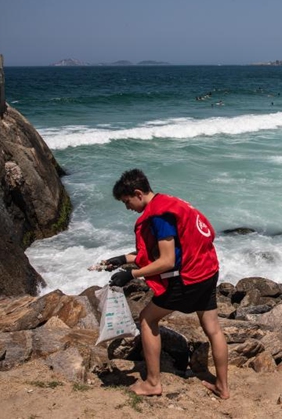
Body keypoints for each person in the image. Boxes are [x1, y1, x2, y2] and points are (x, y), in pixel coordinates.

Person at [107, 169, 230, 398]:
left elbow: (166, 261)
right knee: (213, 328)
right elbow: (170, 250)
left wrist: (132, 275)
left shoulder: (159, 216)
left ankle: (153, 383)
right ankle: (222, 387)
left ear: (138, 193)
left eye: (127, 202)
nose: (127, 208)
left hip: (188, 278)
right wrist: (122, 260)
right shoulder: (168, 202)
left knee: (147, 318)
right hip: (208, 269)